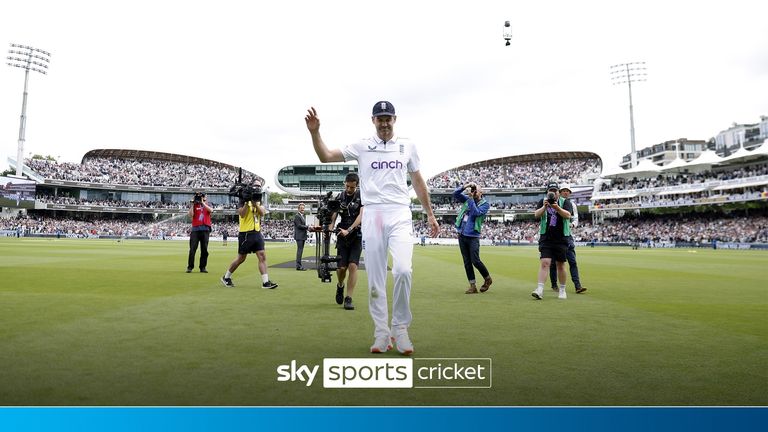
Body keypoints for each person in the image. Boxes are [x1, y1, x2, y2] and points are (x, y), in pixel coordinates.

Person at [305, 101, 440, 355]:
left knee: (402, 270)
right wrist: (315, 132)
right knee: (376, 279)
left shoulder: (407, 146)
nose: (385, 123)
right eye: (380, 119)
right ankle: (381, 333)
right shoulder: (363, 146)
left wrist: (430, 214)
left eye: (388, 118)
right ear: (373, 120)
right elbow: (326, 156)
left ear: (395, 119)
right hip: (374, 214)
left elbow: (419, 181)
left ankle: (400, 329)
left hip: (400, 212)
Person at [220, 182, 278, 289]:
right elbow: (241, 214)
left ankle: (265, 282)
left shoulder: (258, 200)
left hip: (257, 232)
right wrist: (247, 202)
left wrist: (255, 203)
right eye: (256, 185)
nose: (257, 187)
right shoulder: (242, 200)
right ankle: (226, 277)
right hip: (245, 233)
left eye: (259, 185)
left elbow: (262, 213)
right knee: (241, 258)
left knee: (262, 256)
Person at [532, 181, 573, 300]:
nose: (553, 193)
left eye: (555, 191)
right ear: (547, 192)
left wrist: (557, 207)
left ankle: (562, 289)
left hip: (561, 237)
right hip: (546, 237)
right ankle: (539, 289)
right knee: (545, 262)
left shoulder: (565, 202)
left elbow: (567, 215)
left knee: (561, 264)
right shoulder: (542, 202)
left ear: (558, 193)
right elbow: (536, 215)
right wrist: (544, 207)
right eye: (551, 191)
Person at [330, 173, 364, 311]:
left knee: (353, 266)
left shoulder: (362, 196)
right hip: (342, 235)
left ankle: (348, 298)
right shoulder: (339, 197)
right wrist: (330, 227)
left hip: (356, 234)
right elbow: (334, 214)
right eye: (347, 186)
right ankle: (340, 285)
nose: (349, 189)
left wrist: (349, 229)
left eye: (352, 187)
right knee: (341, 268)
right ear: (344, 183)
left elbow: (362, 215)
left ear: (357, 185)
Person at [453, 181, 492, 294]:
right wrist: (465, 186)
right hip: (462, 234)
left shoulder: (485, 204)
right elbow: (455, 194)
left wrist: (470, 199)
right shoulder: (468, 199)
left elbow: (475, 213)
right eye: (473, 190)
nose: (474, 192)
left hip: (473, 236)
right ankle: (472, 285)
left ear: (481, 192)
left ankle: (487, 278)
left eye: (476, 190)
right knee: (466, 262)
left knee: (475, 260)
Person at [548, 184, 586, 293]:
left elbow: (575, 219)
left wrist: (572, 225)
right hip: (555, 236)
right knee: (554, 262)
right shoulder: (552, 202)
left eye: (567, 191)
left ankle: (577, 285)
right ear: (559, 192)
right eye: (563, 190)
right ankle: (554, 284)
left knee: (572, 261)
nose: (566, 192)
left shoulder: (571, 204)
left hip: (567, 235)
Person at [187, 192, 212, 273]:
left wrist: (203, 203)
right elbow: (191, 215)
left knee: (204, 250)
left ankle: (203, 267)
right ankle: (190, 267)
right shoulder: (194, 205)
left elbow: (211, 210)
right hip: (195, 230)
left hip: (205, 229)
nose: (201, 198)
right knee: (192, 249)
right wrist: (192, 205)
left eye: (203, 196)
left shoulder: (207, 204)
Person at [293, 203, 309, 271]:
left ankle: (299, 265)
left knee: (300, 250)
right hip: (299, 236)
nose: (303, 209)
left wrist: (307, 227)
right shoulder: (297, 216)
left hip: (302, 235)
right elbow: (299, 225)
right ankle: (298, 266)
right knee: (300, 250)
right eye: (301, 208)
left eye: (303, 208)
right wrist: (308, 227)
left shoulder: (302, 216)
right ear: (298, 209)